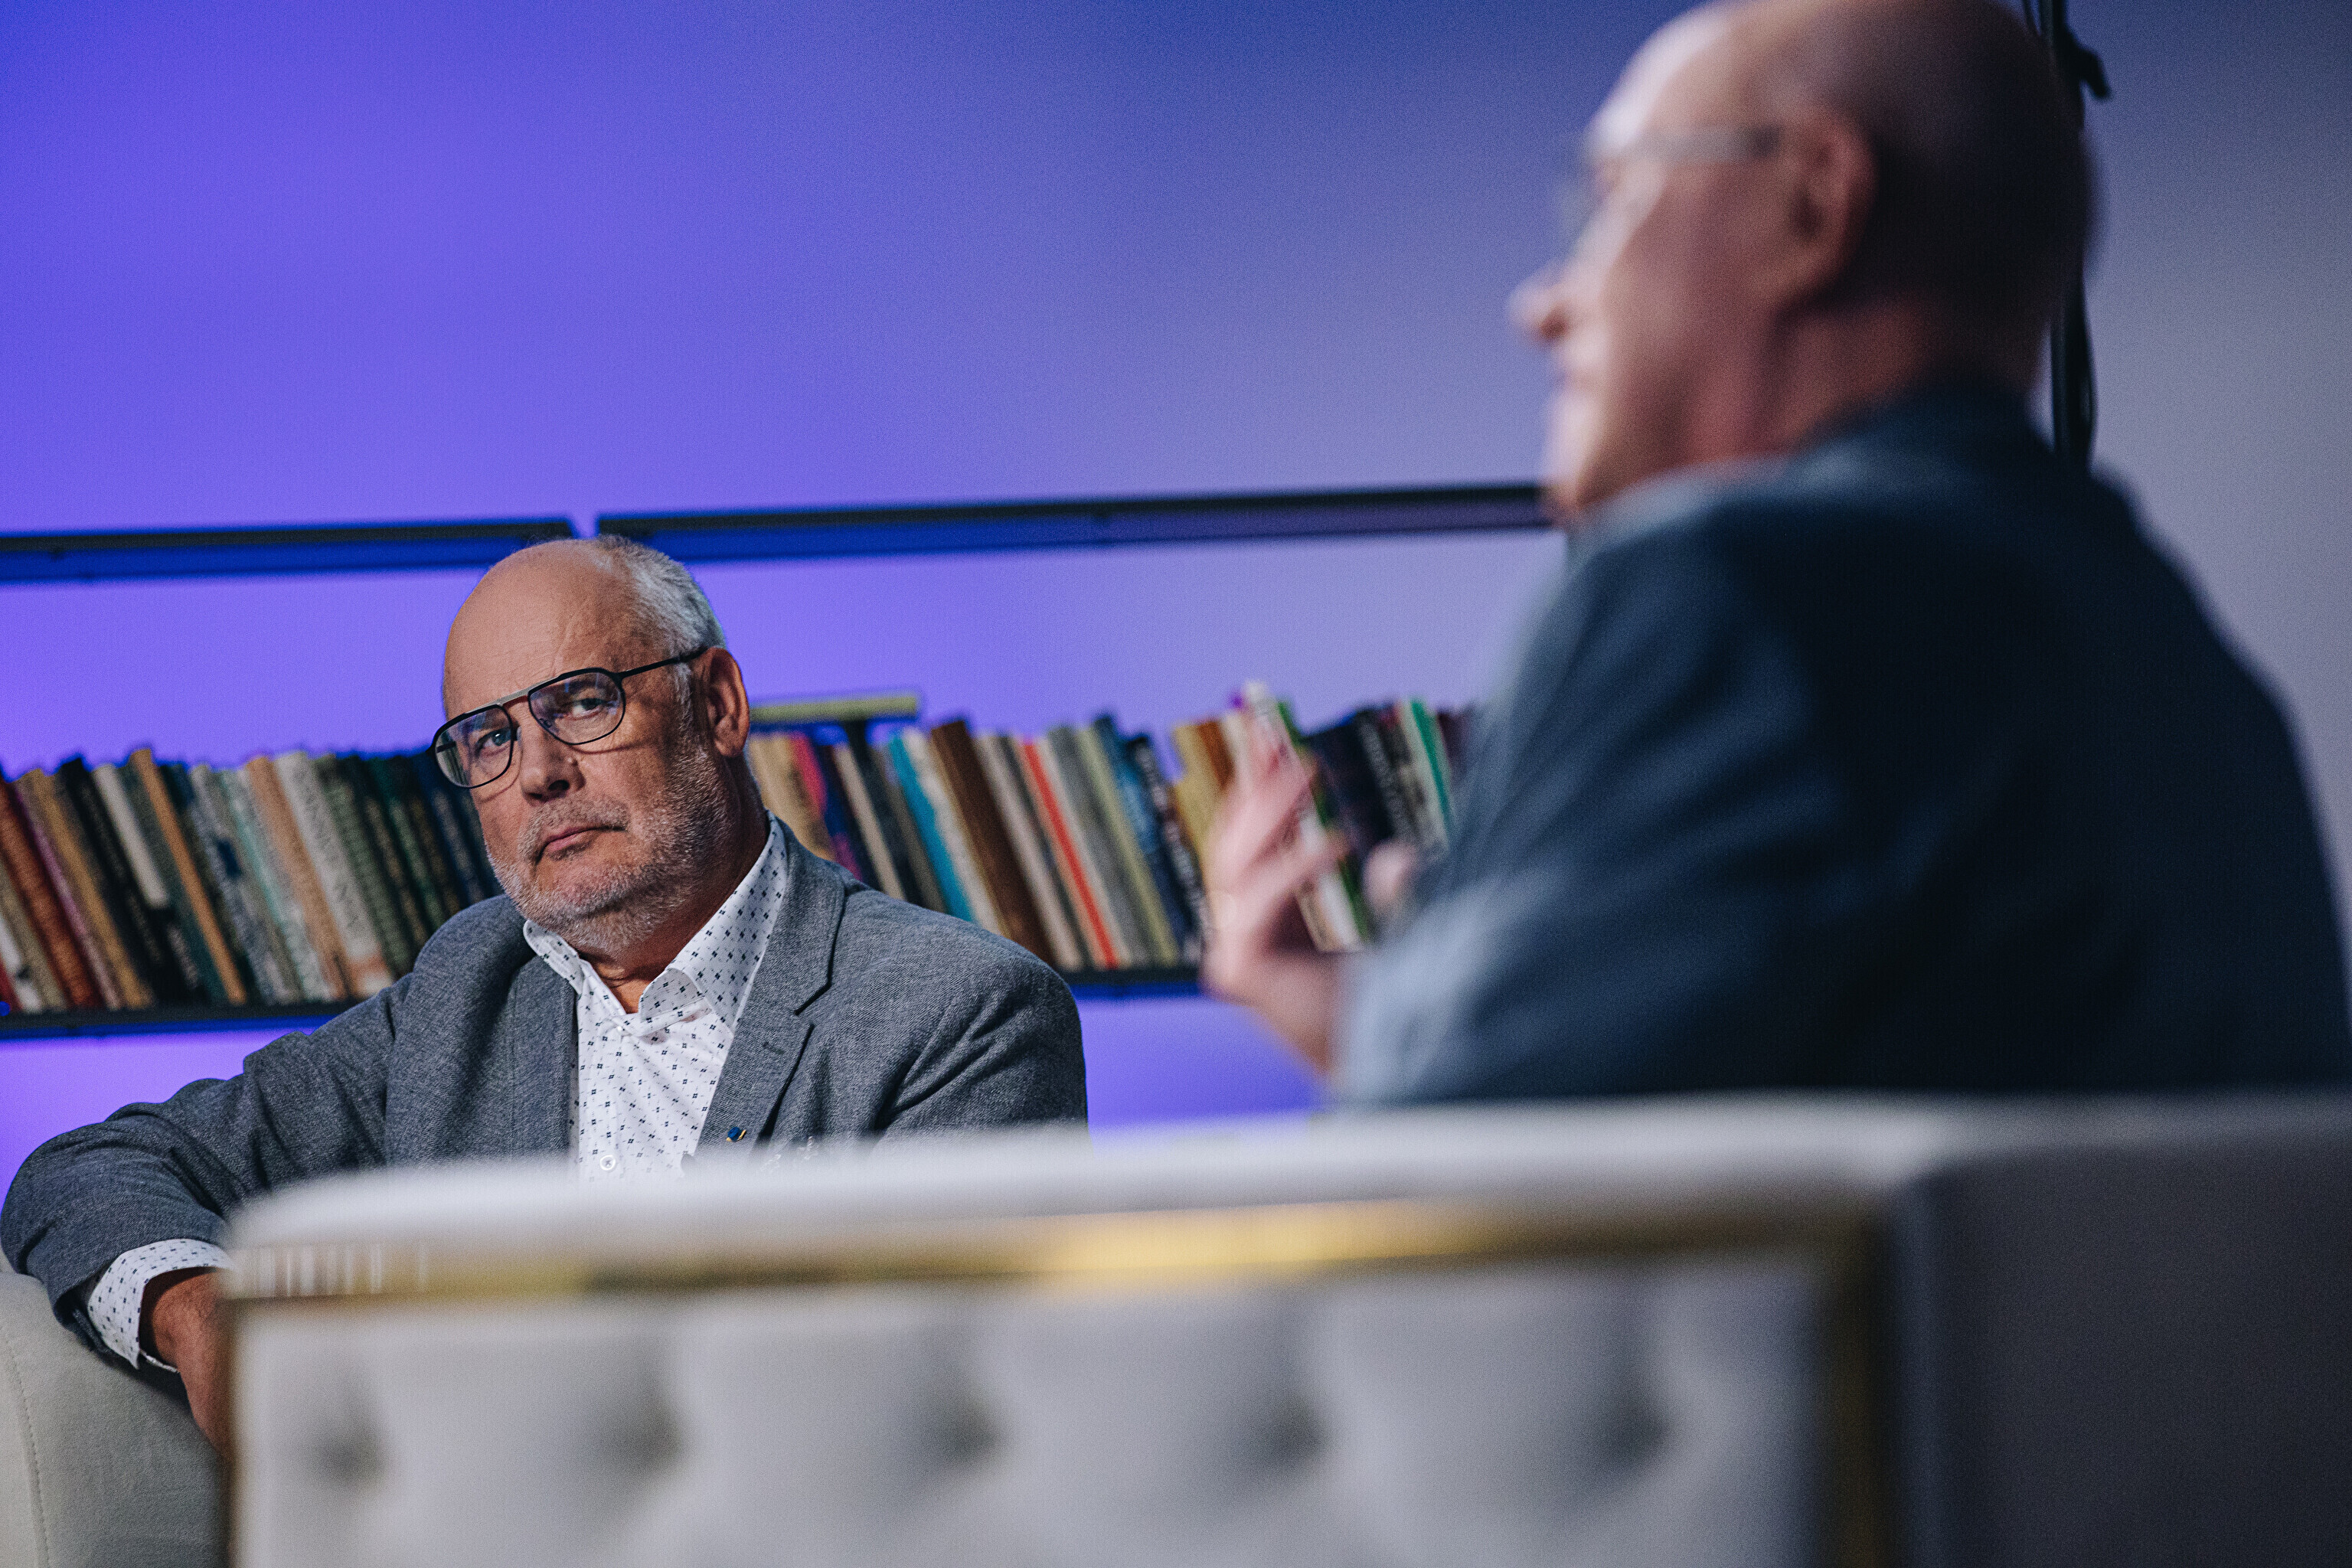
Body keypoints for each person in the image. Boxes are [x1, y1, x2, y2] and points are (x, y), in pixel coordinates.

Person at [1206, 0, 2350, 1101]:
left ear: (1810, 208)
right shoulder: (2207, 686)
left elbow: (1483, 1125)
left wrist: (1361, 1003)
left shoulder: (1723, 595)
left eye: (1612, 200)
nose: (1544, 304)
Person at [2, 537, 1086, 1445]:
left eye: (583, 703)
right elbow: (92, 1167)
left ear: (716, 705)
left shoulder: (962, 1013)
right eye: (491, 739)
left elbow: (936, 1429)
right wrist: (198, 1310)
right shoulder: (468, 991)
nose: (537, 774)